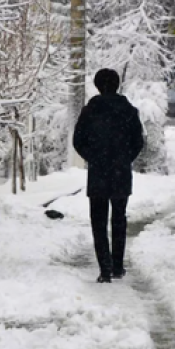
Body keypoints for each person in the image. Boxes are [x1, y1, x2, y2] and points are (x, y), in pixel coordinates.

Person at [73, 69, 144, 283]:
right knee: (119, 219)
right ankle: (118, 266)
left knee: (99, 221)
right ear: (117, 84)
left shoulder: (90, 111)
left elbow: (78, 141)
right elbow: (138, 142)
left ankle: (104, 268)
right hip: (121, 172)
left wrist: (94, 157)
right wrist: (124, 158)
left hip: (98, 173)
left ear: (97, 86)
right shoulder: (129, 111)